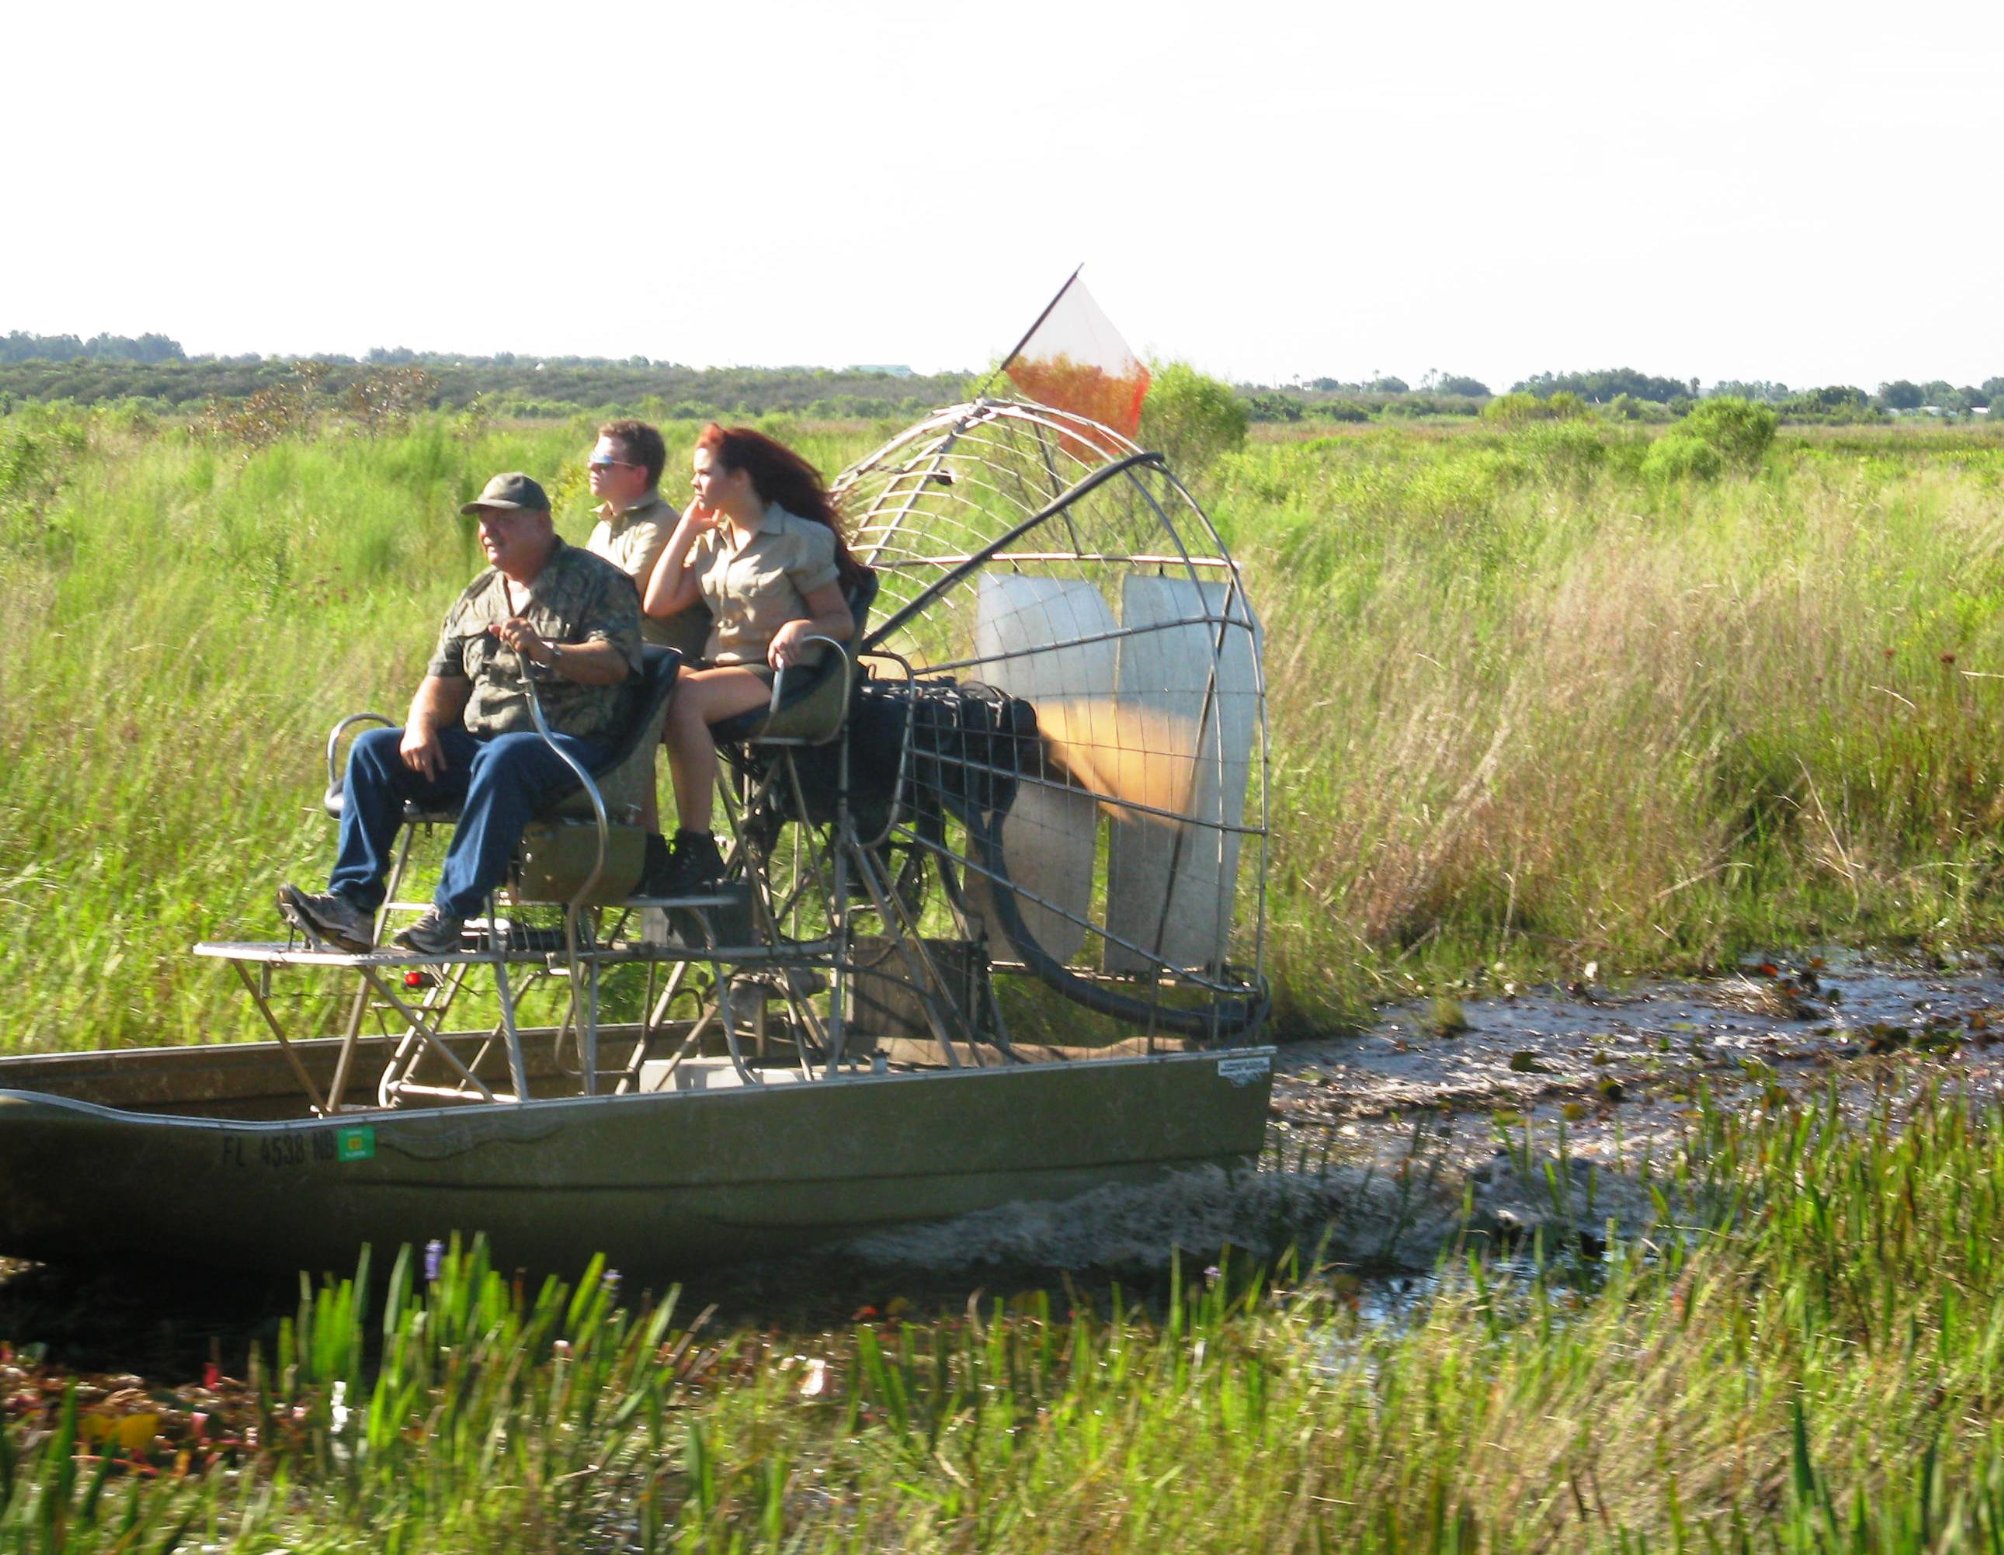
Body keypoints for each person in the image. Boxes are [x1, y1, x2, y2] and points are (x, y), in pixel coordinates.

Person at [278, 472, 642, 956]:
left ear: (541, 522)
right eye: (484, 522)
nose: (489, 531)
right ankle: (352, 905)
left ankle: (450, 913)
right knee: (373, 749)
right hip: (485, 747)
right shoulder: (478, 595)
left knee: (508, 756)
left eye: (503, 520)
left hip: (569, 750)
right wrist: (422, 726)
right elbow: (442, 680)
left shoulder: (597, 581)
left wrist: (549, 651)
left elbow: (616, 662)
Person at [642, 424, 866, 894]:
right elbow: (658, 604)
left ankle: (695, 845)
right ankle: (644, 844)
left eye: (704, 474)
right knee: (635, 689)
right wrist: (686, 528)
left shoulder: (799, 538)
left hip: (781, 675)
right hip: (718, 669)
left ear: (740, 478)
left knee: (683, 698)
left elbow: (839, 621)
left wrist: (800, 627)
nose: (695, 484)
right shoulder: (714, 541)